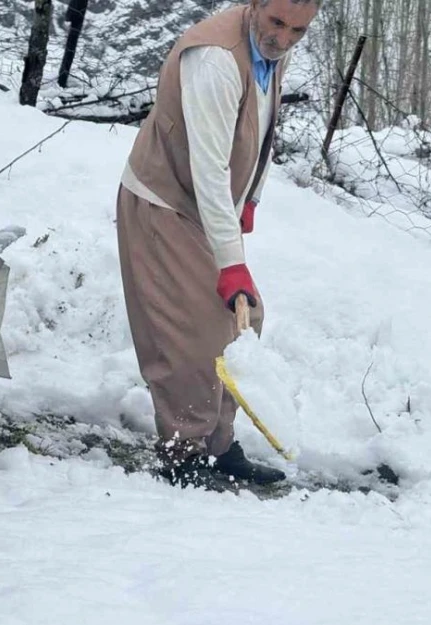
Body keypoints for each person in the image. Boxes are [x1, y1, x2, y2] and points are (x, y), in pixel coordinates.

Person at [115, 0, 320, 487]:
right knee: (194, 333)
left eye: (298, 30)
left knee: (242, 320)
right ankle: (182, 454)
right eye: (277, 23)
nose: (284, 38)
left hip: (208, 206)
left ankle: (218, 446)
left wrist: (250, 199)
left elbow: (262, 128)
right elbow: (209, 170)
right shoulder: (216, 59)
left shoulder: (269, 46)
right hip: (164, 203)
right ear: (255, 5)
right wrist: (231, 264)